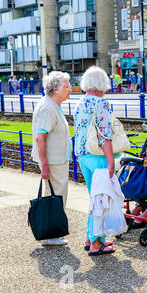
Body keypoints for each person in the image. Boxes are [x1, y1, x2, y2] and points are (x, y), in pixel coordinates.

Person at [73, 66, 117, 256]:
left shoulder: (80, 102)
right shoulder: (102, 103)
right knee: (100, 201)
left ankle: (90, 237)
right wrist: (111, 161)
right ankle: (96, 244)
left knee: (93, 197)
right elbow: (104, 136)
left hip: (82, 155)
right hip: (98, 156)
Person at [31, 71, 72, 246]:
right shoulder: (48, 108)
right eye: (67, 86)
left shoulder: (52, 105)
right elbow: (40, 137)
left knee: (54, 196)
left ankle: (52, 232)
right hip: (53, 161)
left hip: (56, 160)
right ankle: (52, 234)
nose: (70, 89)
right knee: (56, 197)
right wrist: (45, 166)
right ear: (55, 89)